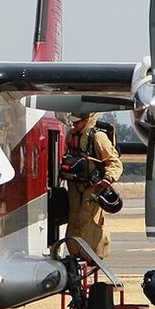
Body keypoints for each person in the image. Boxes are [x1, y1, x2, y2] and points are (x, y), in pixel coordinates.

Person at [63, 112, 123, 263]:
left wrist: (107, 179)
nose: (74, 125)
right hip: (76, 184)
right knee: (74, 218)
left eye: (77, 122)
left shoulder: (98, 137)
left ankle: (92, 253)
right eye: (73, 122)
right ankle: (75, 252)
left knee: (89, 220)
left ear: (86, 120)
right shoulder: (71, 135)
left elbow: (114, 162)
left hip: (93, 186)